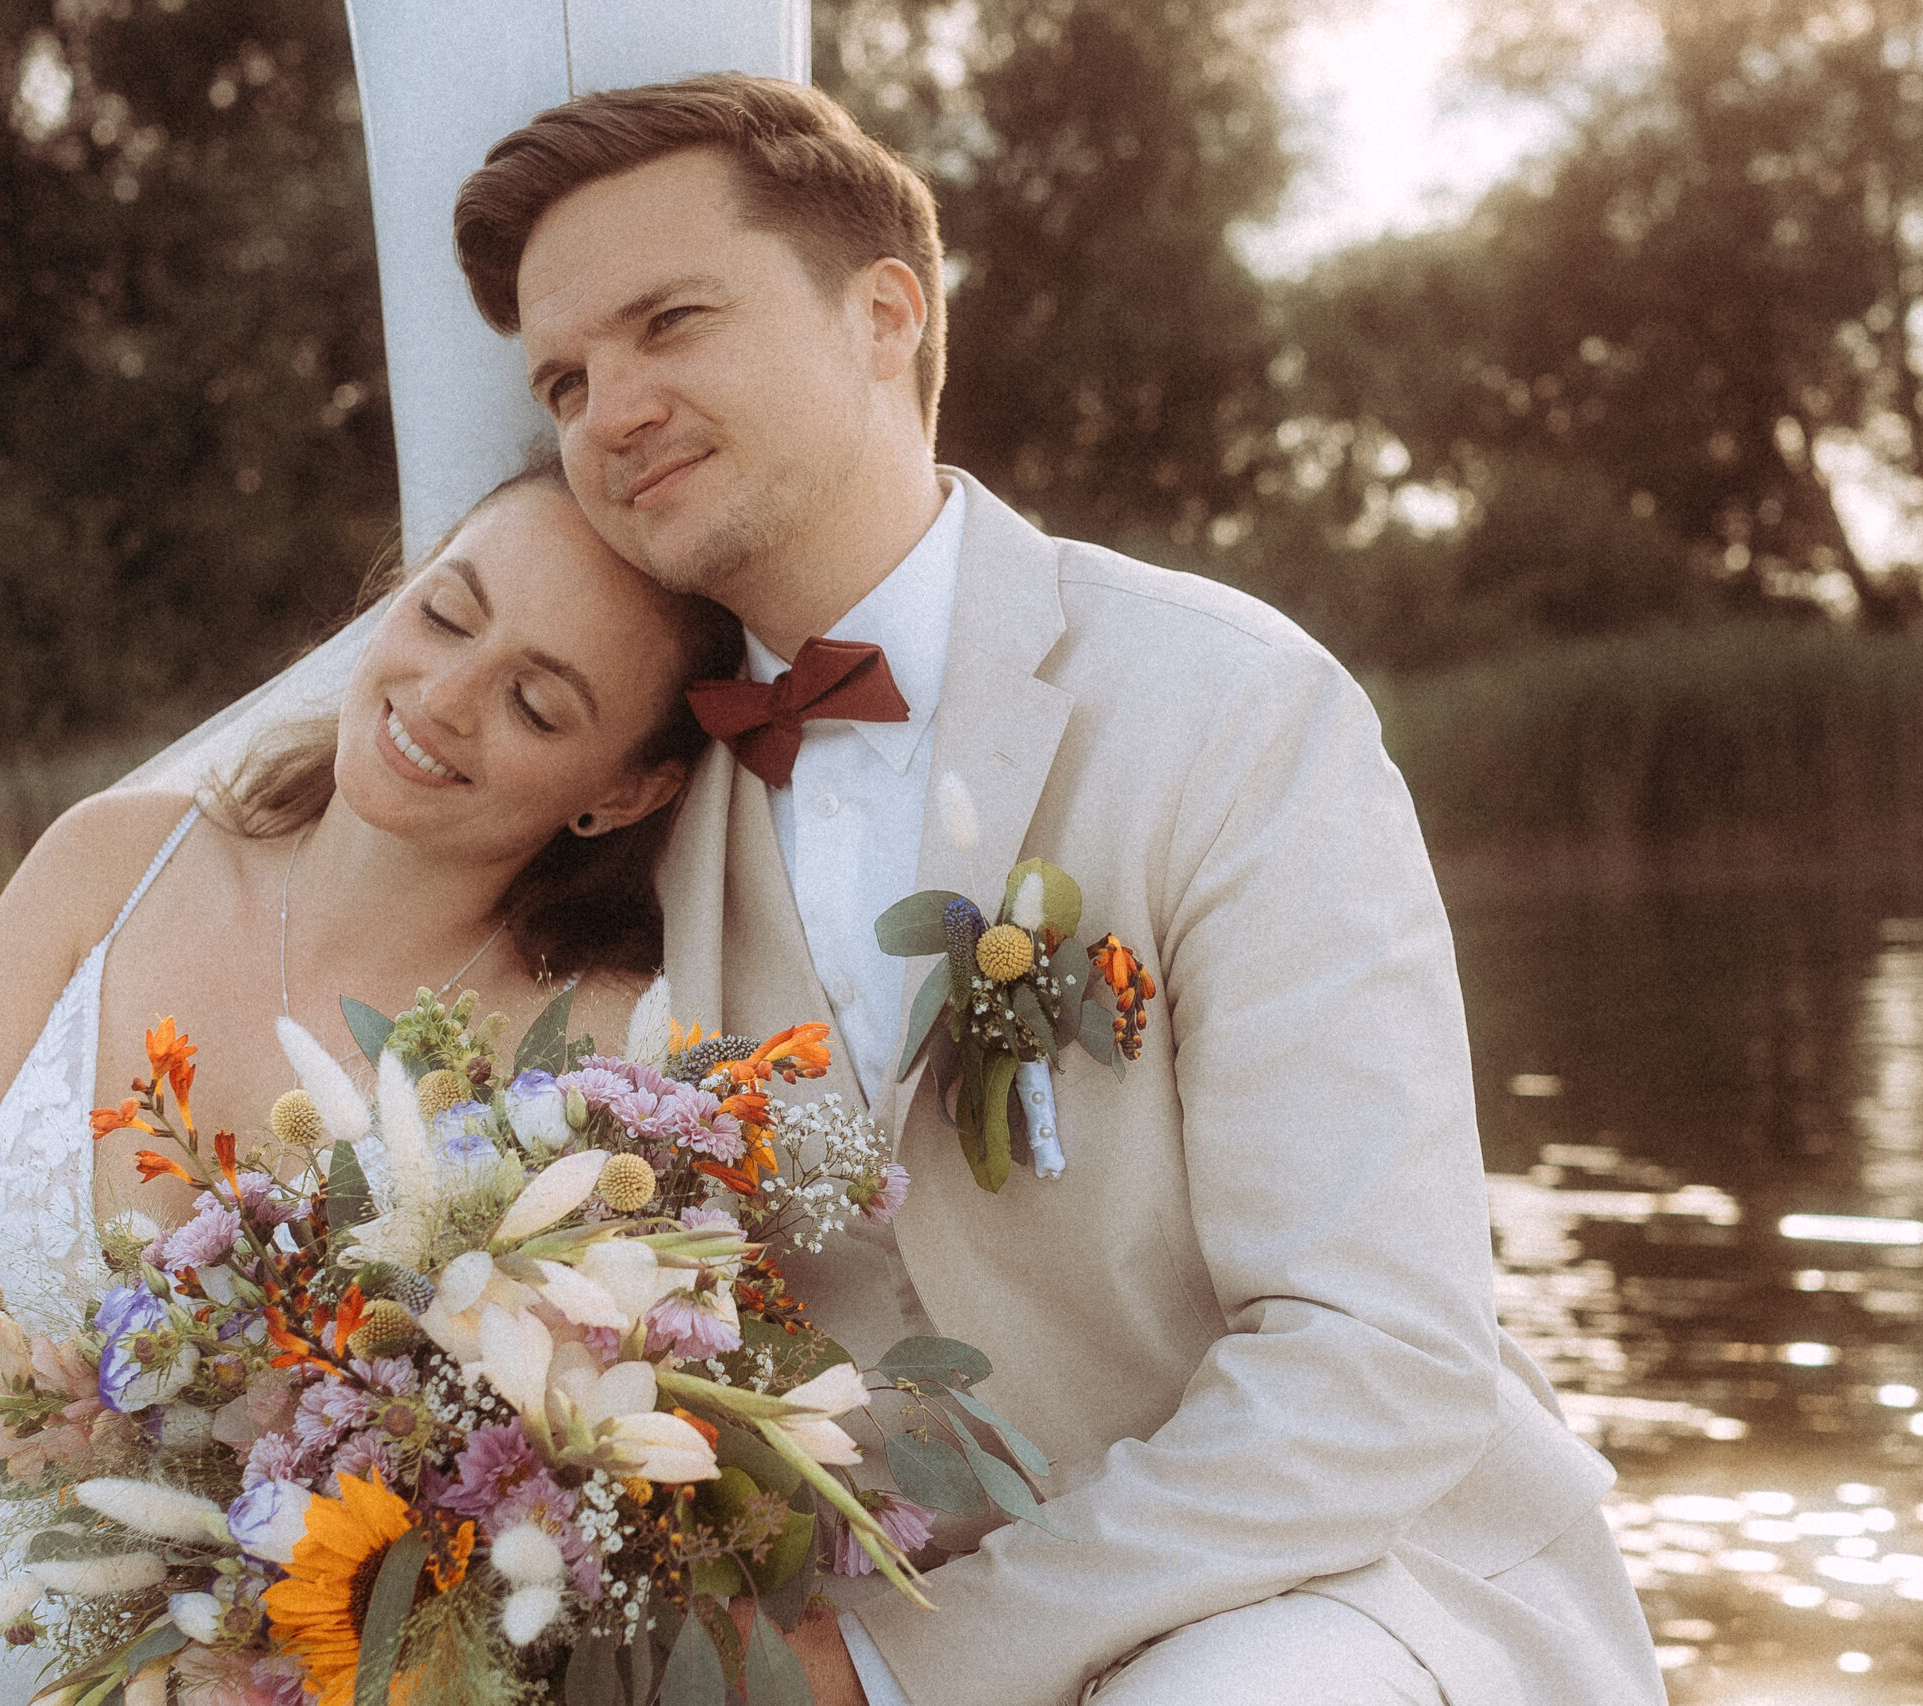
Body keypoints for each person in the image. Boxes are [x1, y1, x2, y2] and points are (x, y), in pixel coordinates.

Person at [164, 75, 1665, 1706]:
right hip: (843, 1608)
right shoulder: (620, 812)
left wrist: (891, 1666)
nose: (612, 409)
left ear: (886, 315)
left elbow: (1380, 1357)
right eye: (567, 379)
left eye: (673, 322)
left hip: (1337, 1589)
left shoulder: (1230, 704)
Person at [0, 461, 745, 1706]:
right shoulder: (111, 863)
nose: (439, 697)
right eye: (444, 612)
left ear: (624, 789)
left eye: (535, 704)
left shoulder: (595, 1055)